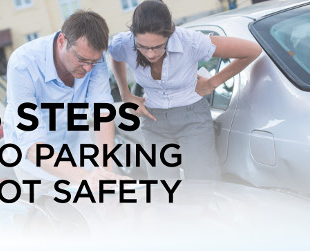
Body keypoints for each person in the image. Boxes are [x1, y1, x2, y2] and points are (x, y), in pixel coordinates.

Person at [109, 0, 262, 180]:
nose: (150, 54)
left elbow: (252, 50)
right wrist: (125, 94)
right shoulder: (124, 43)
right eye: (142, 47)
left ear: (170, 33)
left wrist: (213, 83)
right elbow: (116, 55)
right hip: (153, 121)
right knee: (161, 187)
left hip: (193, 119)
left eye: (158, 46)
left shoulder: (191, 41)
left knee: (201, 184)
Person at [4, 10, 127, 192]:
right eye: (82, 60)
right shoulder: (22, 64)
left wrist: (103, 173)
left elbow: (102, 112)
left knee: (97, 205)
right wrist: (85, 178)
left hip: (76, 150)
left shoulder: (94, 59)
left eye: (93, 62)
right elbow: (31, 144)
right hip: (35, 163)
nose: (87, 68)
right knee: (51, 215)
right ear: (62, 41)